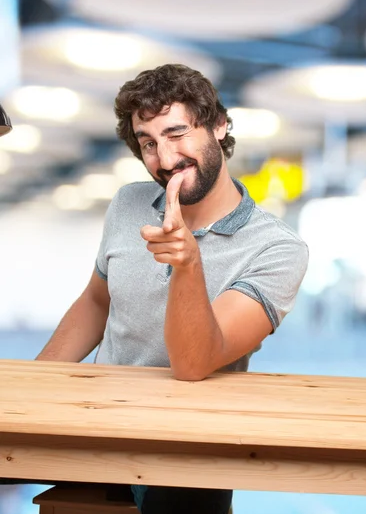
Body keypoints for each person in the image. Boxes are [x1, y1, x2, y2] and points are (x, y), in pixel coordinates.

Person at [31, 64, 309, 513]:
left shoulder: (278, 249)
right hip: (98, 424)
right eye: (148, 143)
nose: (165, 158)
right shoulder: (128, 203)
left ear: (219, 126)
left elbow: (195, 362)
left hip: (192, 445)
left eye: (177, 133)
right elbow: (96, 303)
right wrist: (30, 387)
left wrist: (188, 264)